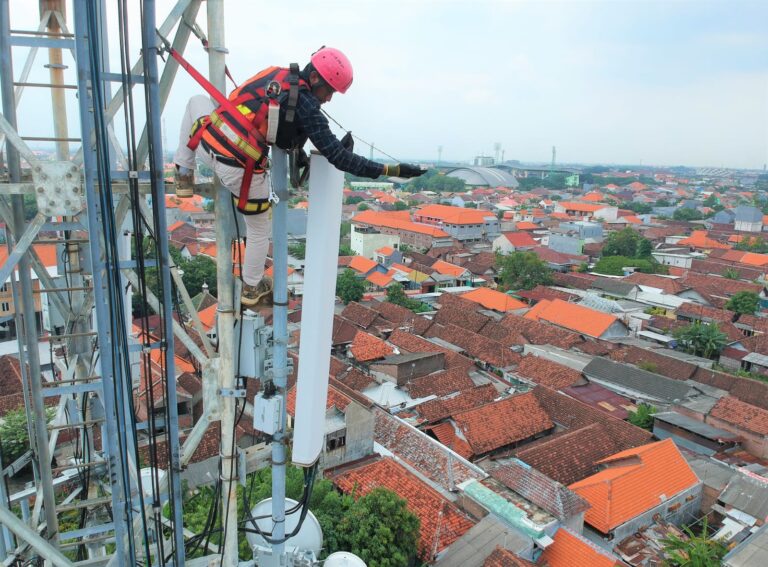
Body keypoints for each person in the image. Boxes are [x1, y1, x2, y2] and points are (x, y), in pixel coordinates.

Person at [173, 47, 425, 308]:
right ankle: (251, 285)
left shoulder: (275, 74)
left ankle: (182, 171)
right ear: (314, 78)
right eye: (328, 91)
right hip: (239, 166)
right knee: (259, 229)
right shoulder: (306, 105)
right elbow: (338, 157)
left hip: (207, 142)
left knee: (196, 101)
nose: (328, 99)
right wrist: (390, 171)